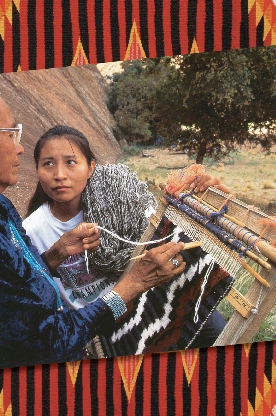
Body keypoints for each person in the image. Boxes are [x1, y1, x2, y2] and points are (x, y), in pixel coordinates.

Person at [0, 79, 187, 374]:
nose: (20, 149)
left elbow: (10, 284)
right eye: (11, 133)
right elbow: (51, 341)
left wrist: (56, 254)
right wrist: (133, 285)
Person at [23, 125, 228, 351]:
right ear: (36, 170)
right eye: (48, 164)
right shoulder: (31, 231)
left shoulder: (118, 200)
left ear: (91, 168)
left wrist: (206, 200)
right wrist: (58, 253)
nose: (60, 174)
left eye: (71, 162)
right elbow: (29, 293)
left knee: (217, 331)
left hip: (150, 300)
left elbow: (162, 231)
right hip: (103, 324)